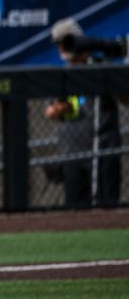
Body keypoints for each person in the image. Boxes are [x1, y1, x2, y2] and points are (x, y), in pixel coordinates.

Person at [44, 19, 123, 208]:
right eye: (58, 45)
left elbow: (124, 99)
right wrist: (60, 108)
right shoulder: (63, 75)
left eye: (65, 43)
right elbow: (50, 111)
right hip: (72, 154)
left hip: (102, 150)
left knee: (106, 206)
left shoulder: (102, 67)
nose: (61, 49)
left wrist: (112, 88)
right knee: (75, 209)